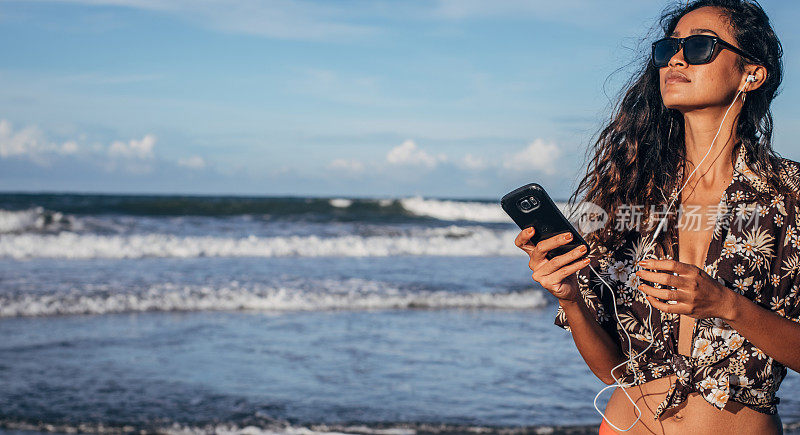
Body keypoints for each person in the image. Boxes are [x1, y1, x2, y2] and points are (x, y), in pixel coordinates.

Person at [514, 1, 800, 434]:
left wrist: (726, 305)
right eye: (669, 49)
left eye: (701, 46)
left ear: (751, 74)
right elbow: (612, 371)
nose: (677, 59)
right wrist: (569, 296)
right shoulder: (630, 197)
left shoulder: (787, 195)